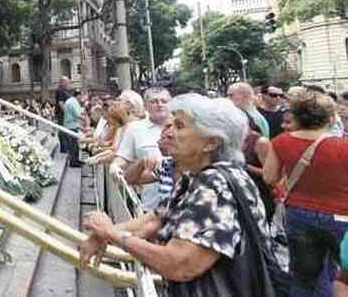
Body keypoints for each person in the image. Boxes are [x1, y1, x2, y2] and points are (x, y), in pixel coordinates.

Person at [80, 94, 277, 295]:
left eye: (180, 126)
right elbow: (155, 219)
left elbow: (179, 264)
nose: (169, 133)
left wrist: (111, 232)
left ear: (211, 143)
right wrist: (105, 234)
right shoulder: (194, 177)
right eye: (171, 124)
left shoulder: (214, 184)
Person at [264, 92, 348, 297]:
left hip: (299, 214)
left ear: (298, 117)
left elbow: (269, 177)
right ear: (330, 118)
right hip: (341, 216)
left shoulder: (281, 142)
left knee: (303, 277)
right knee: (343, 276)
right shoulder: (343, 146)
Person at [111, 87, 171, 212]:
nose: (159, 105)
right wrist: (115, 166)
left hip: (178, 207)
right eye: (154, 102)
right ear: (146, 105)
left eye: (164, 101)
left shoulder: (181, 128)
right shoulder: (134, 128)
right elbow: (122, 157)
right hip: (149, 205)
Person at [63, 89, 85, 167]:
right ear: (78, 95)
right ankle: (74, 162)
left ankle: (75, 160)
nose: (81, 98)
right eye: (81, 96)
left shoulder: (68, 101)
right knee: (74, 145)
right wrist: (85, 119)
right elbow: (78, 114)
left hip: (68, 125)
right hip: (73, 126)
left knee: (72, 145)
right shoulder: (74, 102)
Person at [55, 76, 71, 153]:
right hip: (62, 114)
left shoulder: (65, 90)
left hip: (65, 114)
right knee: (62, 131)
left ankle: (66, 146)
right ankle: (63, 148)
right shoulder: (60, 90)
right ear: (62, 82)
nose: (68, 83)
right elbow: (61, 103)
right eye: (67, 81)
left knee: (66, 131)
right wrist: (67, 113)